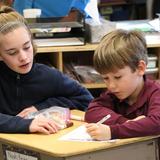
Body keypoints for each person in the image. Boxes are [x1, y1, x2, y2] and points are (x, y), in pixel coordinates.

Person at [0, 6, 93, 134]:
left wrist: (41, 107)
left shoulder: (48, 76)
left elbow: (86, 99)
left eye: (27, 47)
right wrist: (26, 124)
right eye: (12, 52)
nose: (23, 57)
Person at [85, 29, 160, 141]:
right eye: (105, 78)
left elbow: (157, 123)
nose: (111, 86)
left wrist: (113, 131)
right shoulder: (114, 94)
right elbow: (92, 111)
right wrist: (125, 123)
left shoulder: (156, 92)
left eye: (118, 77)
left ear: (140, 68)